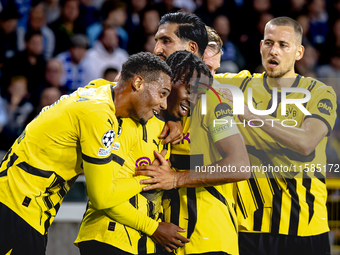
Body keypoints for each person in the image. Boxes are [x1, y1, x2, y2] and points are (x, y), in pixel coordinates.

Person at [0, 52, 172, 255]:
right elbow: (101, 197)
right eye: (162, 94)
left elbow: (116, 82)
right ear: (138, 83)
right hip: (18, 208)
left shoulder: (98, 91)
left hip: (17, 204)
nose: (164, 105)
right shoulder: (98, 114)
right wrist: (150, 178)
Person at [214, 16, 337, 255]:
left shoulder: (318, 92)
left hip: (305, 227)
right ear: (261, 46)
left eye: (283, 45)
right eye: (269, 43)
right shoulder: (239, 85)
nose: (274, 50)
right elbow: (192, 81)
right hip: (249, 228)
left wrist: (248, 114)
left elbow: (306, 143)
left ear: (299, 52)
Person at [75, 51, 209, 255]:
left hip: (140, 243)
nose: (194, 100)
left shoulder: (167, 129)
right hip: (109, 237)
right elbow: (104, 195)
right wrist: (152, 227)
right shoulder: (128, 120)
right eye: (190, 90)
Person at [138, 13, 251, 255]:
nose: (157, 48)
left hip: (207, 239)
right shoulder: (160, 99)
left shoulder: (212, 98)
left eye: (166, 41)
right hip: (164, 236)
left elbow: (240, 165)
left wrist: (176, 179)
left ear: (190, 48)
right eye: (156, 40)